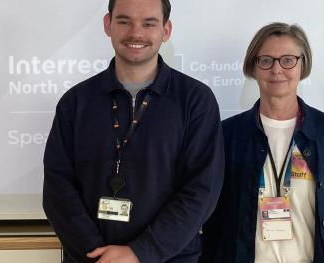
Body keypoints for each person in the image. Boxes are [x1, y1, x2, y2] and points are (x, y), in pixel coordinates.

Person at [41, 0, 224, 262]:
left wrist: (141, 253)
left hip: (170, 258)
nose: (136, 33)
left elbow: (201, 191)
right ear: (108, 25)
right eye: (124, 21)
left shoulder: (195, 101)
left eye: (149, 23)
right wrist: (95, 253)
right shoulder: (76, 102)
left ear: (166, 30)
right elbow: (58, 187)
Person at [200, 22, 324, 263]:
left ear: (302, 65)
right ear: (253, 68)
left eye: (288, 60)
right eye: (266, 60)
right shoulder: (227, 135)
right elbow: (212, 220)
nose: (277, 69)